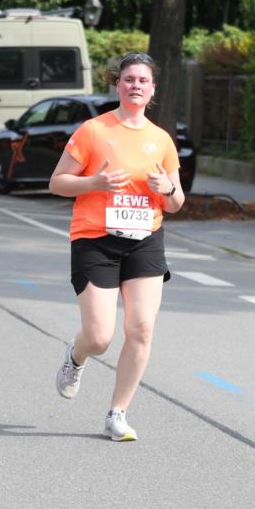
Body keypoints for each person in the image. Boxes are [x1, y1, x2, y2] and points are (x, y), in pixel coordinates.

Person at [49, 52, 184, 441]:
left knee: (141, 328)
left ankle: (117, 413)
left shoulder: (160, 140)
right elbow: (57, 182)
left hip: (145, 240)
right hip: (96, 239)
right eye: (129, 79)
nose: (136, 85)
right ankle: (77, 356)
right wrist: (94, 183)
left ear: (152, 89)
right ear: (118, 84)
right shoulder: (93, 130)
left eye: (143, 80)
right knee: (100, 337)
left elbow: (176, 203)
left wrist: (167, 189)